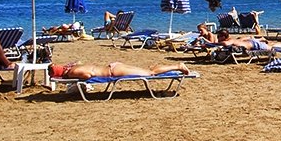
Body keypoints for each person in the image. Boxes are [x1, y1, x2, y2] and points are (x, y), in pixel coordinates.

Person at [49, 61, 190, 80]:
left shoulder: (73, 73)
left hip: (113, 73)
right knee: (149, 70)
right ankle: (177, 66)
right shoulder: (74, 66)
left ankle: (178, 66)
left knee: (150, 73)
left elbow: (87, 75)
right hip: (113, 66)